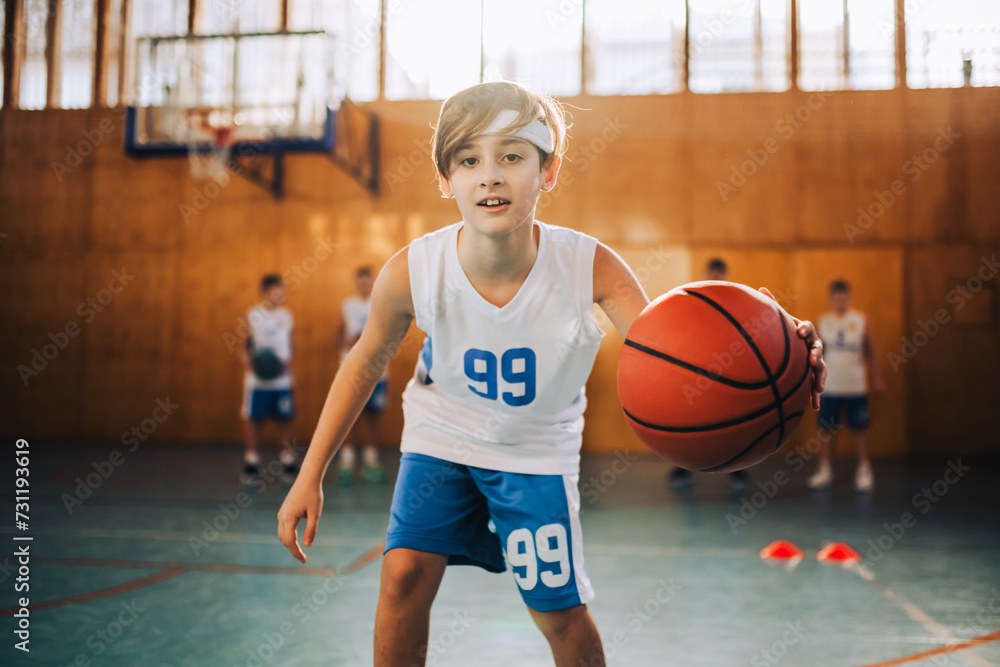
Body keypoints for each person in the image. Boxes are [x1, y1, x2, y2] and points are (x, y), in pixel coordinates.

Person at [276, 81, 826, 667]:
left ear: (549, 171)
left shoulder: (590, 267)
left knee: (557, 612)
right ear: (444, 180)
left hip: (536, 453)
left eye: (512, 156)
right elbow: (362, 364)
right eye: (469, 160)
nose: (490, 175)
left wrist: (775, 340)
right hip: (441, 437)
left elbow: (675, 347)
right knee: (403, 574)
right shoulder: (413, 270)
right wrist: (310, 474)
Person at [666, 257, 749, 491]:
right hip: (698, 371)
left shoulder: (736, 304)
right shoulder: (695, 302)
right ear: (706, 275)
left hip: (730, 371)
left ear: (725, 276)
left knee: (736, 422)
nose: (715, 278)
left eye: (719, 275)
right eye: (712, 274)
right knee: (691, 421)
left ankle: (738, 471)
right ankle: (684, 468)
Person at [808, 279, 884, 492]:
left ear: (849, 298)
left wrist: (878, 377)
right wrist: (812, 381)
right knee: (826, 430)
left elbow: (873, 352)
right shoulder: (822, 322)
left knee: (859, 429)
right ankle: (825, 469)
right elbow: (814, 354)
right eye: (836, 297)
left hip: (855, 385)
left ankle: (865, 469)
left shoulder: (861, 320)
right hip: (829, 385)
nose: (840, 301)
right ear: (831, 298)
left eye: (844, 297)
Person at [238, 274, 298, 482]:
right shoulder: (252, 315)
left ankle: (287, 461)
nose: (279, 295)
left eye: (282, 291)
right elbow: (243, 348)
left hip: (282, 380)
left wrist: (286, 366)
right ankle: (252, 461)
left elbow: (293, 347)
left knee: (285, 418)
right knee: (255, 420)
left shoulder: (287, 316)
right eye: (275, 291)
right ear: (264, 292)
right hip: (258, 381)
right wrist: (251, 366)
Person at [335, 266, 389, 485]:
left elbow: (391, 333)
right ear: (357, 283)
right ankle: (347, 462)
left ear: (373, 283)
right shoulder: (347, 305)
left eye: (368, 282)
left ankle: (370, 461)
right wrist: (347, 341)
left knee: (373, 416)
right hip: (352, 369)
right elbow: (336, 334)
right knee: (350, 416)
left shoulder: (383, 303)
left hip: (377, 369)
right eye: (361, 282)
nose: (364, 286)